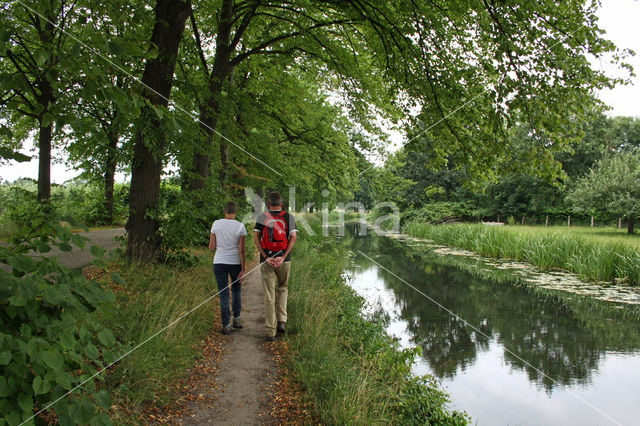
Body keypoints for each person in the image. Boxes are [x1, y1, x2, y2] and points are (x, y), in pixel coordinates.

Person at [253, 191, 297, 341]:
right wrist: (283, 256)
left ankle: (270, 331)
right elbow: (293, 238)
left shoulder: (262, 217)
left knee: (269, 294)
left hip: (267, 261)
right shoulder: (288, 217)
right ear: (282, 203)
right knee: (283, 288)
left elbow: (256, 238)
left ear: (268, 204)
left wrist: (266, 257)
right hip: (284, 261)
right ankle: (282, 321)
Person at [210, 201, 247, 335]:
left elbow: (211, 246)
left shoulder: (216, 224)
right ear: (235, 212)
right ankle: (236, 319)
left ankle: (226, 325)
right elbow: (242, 250)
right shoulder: (240, 226)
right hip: (235, 262)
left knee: (224, 293)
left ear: (224, 211)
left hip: (219, 262)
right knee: (236, 290)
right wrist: (243, 269)